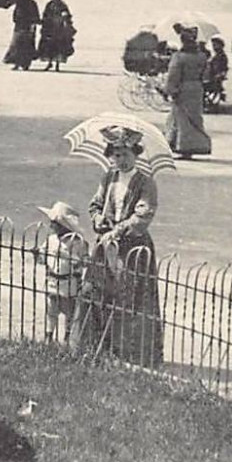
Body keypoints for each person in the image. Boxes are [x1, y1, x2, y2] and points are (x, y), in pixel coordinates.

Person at [72, 126, 161, 367]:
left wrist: (118, 230)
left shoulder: (146, 182)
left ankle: (129, 354)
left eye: (126, 154)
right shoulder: (108, 177)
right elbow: (95, 204)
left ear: (136, 154)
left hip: (132, 247)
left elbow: (144, 213)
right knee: (96, 290)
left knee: (129, 297)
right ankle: (95, 347)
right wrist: (98, 218)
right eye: (116, 154)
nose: (121, 160)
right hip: (105, 246)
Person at [35, 202, 88, 347]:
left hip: (68, 283)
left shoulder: (77, 243)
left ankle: (67, 338)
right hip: (52, 280)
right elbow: (42, 259)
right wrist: (37, 255)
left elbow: (84, 262)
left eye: (54, 223)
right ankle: (48, 336)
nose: (51, 226)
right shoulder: (51, 240)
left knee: (69, 312)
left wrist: (76, 262)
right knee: (51, 311)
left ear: (63, 225)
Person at [162, 27, 213, 158]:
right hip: (196, 88)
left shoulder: (179, 57)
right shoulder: (202, 56)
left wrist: (169, 90)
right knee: (195, 117)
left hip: (183, 88)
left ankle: (183, 147)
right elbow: (206, 74)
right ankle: (195, 145)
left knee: (182, 118)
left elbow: (173, 75)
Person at [36, 0, 75, 72]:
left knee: (59, 46)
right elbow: (45, 14)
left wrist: (64, 18)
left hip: (59, 29)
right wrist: (44, 22)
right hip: (50, 28)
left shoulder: (62, 5)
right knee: (49, 46)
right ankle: (49, 62)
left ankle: (57, 64)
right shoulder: (49, 4)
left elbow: (67, 16)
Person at [3, 0, 39, 71]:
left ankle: (25, 64)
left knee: (27, 46)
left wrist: (33, 23)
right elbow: (15, 15)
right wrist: (16, 20)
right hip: (19, 26)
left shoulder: (32, 3)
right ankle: (17, 63)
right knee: (17, 45)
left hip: (28, 26)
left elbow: (36, 15)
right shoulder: (19, 3)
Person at [202, 36, 230, 110]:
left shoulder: (222, 56)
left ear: (221, 46)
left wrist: (219, 75)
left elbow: (223, 68)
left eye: (215, 45)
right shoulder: (216, 56)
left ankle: (207, 103)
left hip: (214, 79)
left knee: (201, 87)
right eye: (213, 45)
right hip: (211, 78)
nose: (214, 47)